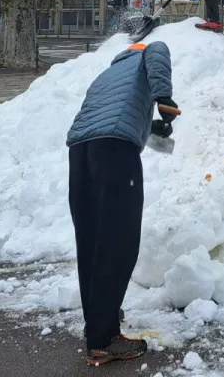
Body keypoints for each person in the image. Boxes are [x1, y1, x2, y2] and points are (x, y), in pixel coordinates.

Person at [66, 40, 178, 366]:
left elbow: (116, 118)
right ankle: (104, 339)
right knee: (119, 241)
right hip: (115, 153)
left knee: (94, 242)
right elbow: (158, 49)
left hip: (81, 153)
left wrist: (156, 130)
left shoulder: (108, 75)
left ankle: (100, 320)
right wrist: (164, 99)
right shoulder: (146, 53)